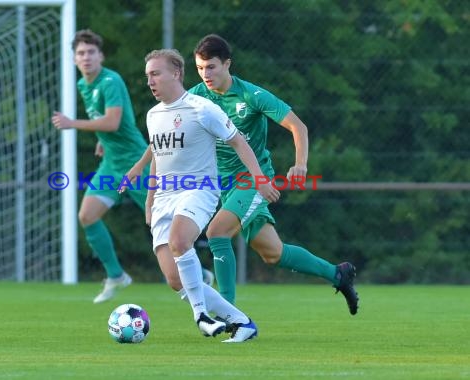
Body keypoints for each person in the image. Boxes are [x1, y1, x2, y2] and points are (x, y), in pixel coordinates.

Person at [189, 34, 359, 314]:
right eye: (200, 68)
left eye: (211, 67)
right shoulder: (196, 96)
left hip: (255, 181)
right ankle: (338, 274)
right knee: (273, 253)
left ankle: (228, 313)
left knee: (217, 233)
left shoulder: (250, 95)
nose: (205, 74)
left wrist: (300, 163)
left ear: (227, 64)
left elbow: (298, 127)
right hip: (224, 186)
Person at [143, 48, 280, 341]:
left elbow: (239, 142)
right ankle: (241, 321)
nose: (150, 81)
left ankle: (201, 316)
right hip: (164, 198)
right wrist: (150, 197)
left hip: (198, 190)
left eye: (156, 74)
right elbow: (158, 156)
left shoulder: (202, 108)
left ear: (176, 73)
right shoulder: (153, 115)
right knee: (174, 279)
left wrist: (259, 180)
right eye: (148, 76)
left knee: (181, 241)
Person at [51, 29, 148, 303]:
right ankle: (116, 275)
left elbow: (113, 122)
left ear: (101, 56)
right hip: (111, 164)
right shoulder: (84, 84)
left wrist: (73, 123)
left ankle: (198, 275)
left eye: (91, 52)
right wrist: (102, 140)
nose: (86, 57)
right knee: (87, 216)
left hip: (135, 164)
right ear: (74, 59)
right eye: (81, 53)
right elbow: (105, 123)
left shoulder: (110, 81)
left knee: (160, 223)